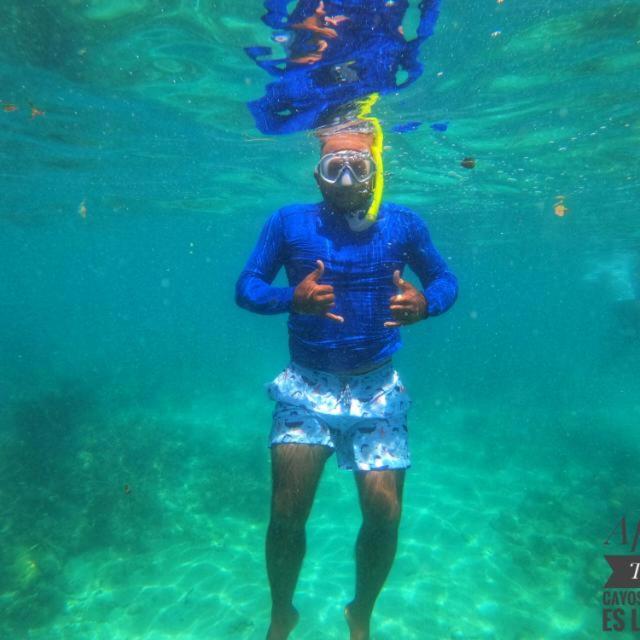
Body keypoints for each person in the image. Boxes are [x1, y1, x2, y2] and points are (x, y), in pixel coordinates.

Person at [235, 125, 458, 640]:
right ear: (317, 175)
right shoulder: (288, 222)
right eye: (334, 167)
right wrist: (290, 298)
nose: (346, 177)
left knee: (384, 515)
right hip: (305, 388)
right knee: (287, 513)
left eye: (358, 164)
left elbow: (446, 279)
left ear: (376, 169)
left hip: (377, 389)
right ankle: (281, 612)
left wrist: (428, 304)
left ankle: (362, 612)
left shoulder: (403, 224)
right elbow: (247, 287)